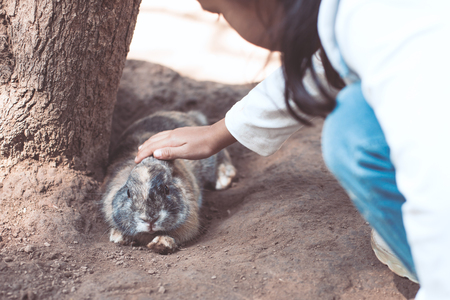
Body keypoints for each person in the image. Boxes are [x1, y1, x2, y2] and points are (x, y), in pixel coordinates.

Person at [135, 1, 450, 299]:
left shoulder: (401, 41)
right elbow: (327, 62)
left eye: (219, 11)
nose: (227, 23)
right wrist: (219, 132)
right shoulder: (357, 17)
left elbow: (436, 171)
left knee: (351, 134)